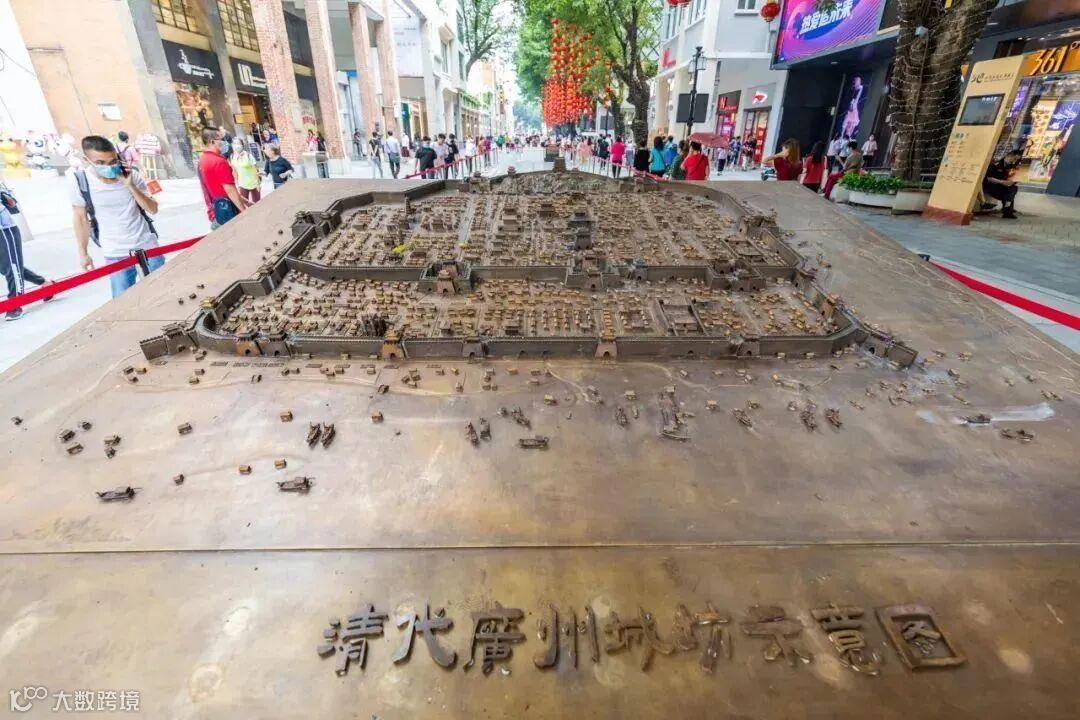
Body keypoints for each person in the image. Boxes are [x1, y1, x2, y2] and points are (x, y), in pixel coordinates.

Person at [71, 135, 163, 298]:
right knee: (122, 300)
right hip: (115, 251)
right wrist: (83, 253)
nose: (109, 167)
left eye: (113, 161)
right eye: (101, 163)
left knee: (162, 293)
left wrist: (130, 185)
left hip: (147, 245)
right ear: (87, 160)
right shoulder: (81, 182)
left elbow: (152, 209)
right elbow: (80, 219)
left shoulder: (131, 175)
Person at [1, 189, 54, 320]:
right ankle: (45, 284)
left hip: (5, 231)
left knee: (13, 268)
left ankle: (15, 304)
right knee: (6, 267)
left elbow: (11, 202)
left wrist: (5, 197)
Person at [198, 127, 247, 229]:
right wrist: (244, 211)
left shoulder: (202, 160)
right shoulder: (219, 162)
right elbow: (229, 190)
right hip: (229, 211)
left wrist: (244, 200)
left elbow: (214, 186)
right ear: (212, 141)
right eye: (221, 139)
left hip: (217, 211)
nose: (225, 142)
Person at [982, 149, 1021, 219]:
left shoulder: (1011, 166)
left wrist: (1012, 181)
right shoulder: (996, 164)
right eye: (1014, 159)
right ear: (1009, 156)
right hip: (991, 186)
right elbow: (989, 178)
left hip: (1001, 186)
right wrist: (1002, 182)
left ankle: (1007, 209)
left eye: (1017, 160)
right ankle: (1007, 209)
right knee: (1010, 191)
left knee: (1013, 188)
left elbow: (1009, 177)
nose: (1015, 161)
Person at [230, 140, 262, 204]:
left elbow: (255, 169)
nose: (236, 145)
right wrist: (237, 183)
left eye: (238, 143)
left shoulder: (248, 155)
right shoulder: (232, 156)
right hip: (242, 183)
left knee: (257, 203)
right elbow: (235, 171)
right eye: (234, 143)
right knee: (244, 202)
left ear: (242, 145)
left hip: (253, 182)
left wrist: (258, 183)